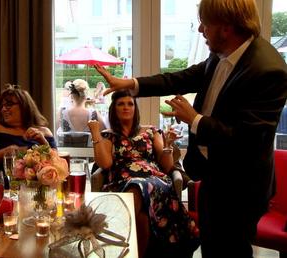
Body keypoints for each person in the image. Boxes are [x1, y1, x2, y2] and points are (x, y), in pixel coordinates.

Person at [94, 0, 287, 257]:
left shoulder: (269, 71)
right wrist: (130, 83)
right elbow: (181, 78)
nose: (200, 30)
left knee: (231, 252)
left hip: (240, 188)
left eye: (205, 24)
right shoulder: (223, 53)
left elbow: (247, 139)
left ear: (226, 27)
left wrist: (194, 119)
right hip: (212, 175)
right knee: (211, 249)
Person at [88, 90, 199, 258]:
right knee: (141, 215)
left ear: (135, 108)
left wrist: (168, 145)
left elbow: (167, 166)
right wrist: (95, 133)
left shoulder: (151, 131)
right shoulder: (109, 135)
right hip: (122, 180)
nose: (126, 107)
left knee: (139, 185)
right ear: (114, 109)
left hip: (154, 180)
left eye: (130, 103)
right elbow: (105, 164)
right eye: (121, 104)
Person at [0, 84, 57, 171]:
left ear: (24, 106)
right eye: (1, 106)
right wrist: (4, 153)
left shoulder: (44, 132)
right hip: (4, 183)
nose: (3, 109)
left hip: (38, 184)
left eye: (9, 104)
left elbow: (58, 165)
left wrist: (43, 142)